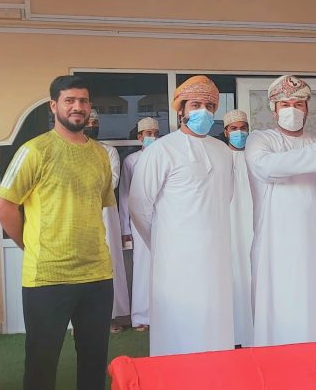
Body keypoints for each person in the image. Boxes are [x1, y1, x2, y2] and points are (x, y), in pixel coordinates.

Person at [0, 75, 117, 390]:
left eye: (83, 100)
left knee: (94, 359)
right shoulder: (35, 151)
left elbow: (98, 206)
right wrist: (31, 245)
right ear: (54, 106)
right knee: (42, 365)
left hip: (96, 275)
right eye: (69, 100)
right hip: (47, 278)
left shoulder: (100, 155)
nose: (77, 107)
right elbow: (4, 206)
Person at [245, 75, 316, 347]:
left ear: (307, 109)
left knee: (311, 309)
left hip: (311, 244)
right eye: (285, 104)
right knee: (276, 311)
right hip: (275, 246)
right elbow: (268, 168)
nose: (292, 110)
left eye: (298, 104)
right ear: (274, 110)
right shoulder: (260, 140)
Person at [129, 75, 234, 356]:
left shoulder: (223, 152)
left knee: (215, 326)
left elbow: (224, 198)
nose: (203, 111)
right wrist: (163, 242)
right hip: (175, 261)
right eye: (196, 105)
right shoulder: (161, 150)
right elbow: (139, 206)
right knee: (178, 331)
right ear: (181, 110)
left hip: (216, 258)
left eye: (209, 106)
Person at [84, 109, 130, 332]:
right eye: (89, 122)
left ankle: (110, 317)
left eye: (96, 123)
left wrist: (83, 185)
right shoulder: (70, 151)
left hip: (105, 213)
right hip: (79, 214)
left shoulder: (108, 151)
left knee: (108, 262)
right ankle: (81, 320)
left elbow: (112, 181)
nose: (93, 126)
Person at [118, 117, 160, 332]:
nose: (152, 137)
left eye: (155, 133)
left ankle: (163, 315)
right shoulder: (131, 161)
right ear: (139, 137)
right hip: (138, 218)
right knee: (142, 266)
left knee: (164, 267)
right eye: (148, 134)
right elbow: (125, 195)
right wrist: (125, 228)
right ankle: (141, 316)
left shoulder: (164, 156)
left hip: (164, 219)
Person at [222, 109, 254, 347]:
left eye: (243, 128)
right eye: (234, 129)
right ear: (226, 132)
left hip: (254, 224)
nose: (239, 133)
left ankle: (255, 332)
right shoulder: (219, 157)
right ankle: (233, 334)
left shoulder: (256, 156)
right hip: (228, 226)